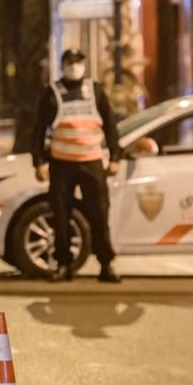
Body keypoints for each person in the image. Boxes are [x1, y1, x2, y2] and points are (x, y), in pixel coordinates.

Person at [31, 48, 123, 283]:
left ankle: (106, 264)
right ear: (63, 65)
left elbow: (110, 126)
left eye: (78, 62)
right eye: (70, 62)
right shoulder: (51, 92)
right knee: (61, 216)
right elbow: (38, 130)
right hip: (62, 164)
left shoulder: (96, 91)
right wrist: (39, 161)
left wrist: (115, 157)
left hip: (91, 163)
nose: (74, 66)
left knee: (100, 214)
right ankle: (63, 264)